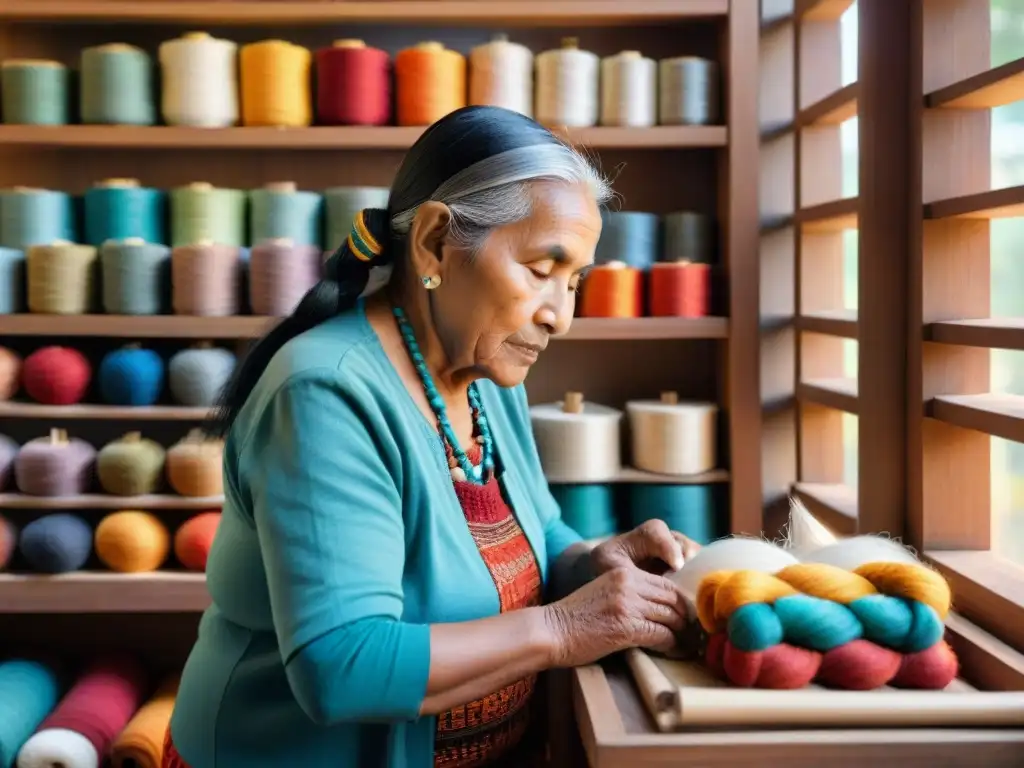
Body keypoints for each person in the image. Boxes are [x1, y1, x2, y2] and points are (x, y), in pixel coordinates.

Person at [165, 105, 701, 768]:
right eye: (541, 270)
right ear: (434, 244)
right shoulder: (325, 394)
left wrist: (597, 563)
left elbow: (540, 534)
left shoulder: (483, 375)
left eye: (575, 281)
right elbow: (342, 667)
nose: (560, 316)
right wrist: (565, 627)